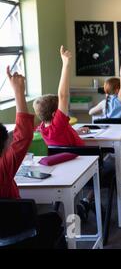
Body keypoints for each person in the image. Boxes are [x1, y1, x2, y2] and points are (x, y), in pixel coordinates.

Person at [0, 67, 65, 249]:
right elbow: (23, 135)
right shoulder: (3, 169)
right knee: (54, 219)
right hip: (16, 234)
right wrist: (18, 91)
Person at [33, 46, 87, 146]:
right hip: (79, 158)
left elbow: (63, 135)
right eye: (61, 109)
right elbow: (63, 96)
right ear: (55, 115)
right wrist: (65, 64)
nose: (63, 108)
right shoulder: (56, 126)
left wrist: (76, 132)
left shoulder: (43, 127)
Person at [89, 41, 121, 118]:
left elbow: (90, 112)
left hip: (110, 129)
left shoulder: (104, 103)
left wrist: (103, 114)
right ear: (118, 90)